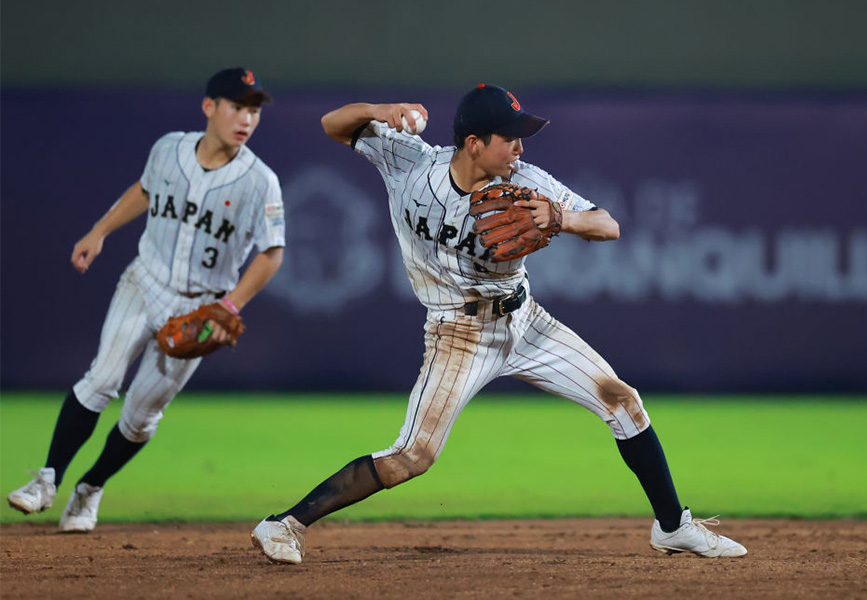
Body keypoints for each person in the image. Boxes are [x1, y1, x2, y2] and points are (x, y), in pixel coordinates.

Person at [250, 84, 746, 563]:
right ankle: (284, 524)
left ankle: (673, 527)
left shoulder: (527, 181)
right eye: (509, 137)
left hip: (527, 323)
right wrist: (381, 108)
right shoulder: (410, 161)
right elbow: (333, 124)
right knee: (413, 456)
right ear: (474, 143)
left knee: (623, 399)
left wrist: (561, 218)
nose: (519, 146)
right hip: (458, 335)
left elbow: (608, 224)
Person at [7, 67, 286, 532]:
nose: (247, 119)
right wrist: (99, 231)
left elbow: (272, 253)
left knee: (140, 418)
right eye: (237, 106)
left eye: (254, 110)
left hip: (200, 307)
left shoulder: (260, 181)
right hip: (145, 282)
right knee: (101, 379)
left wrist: (228, 307)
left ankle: (90, 487)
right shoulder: (169, 149)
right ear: (209, 107)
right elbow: (145, 190)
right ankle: (47, 479)